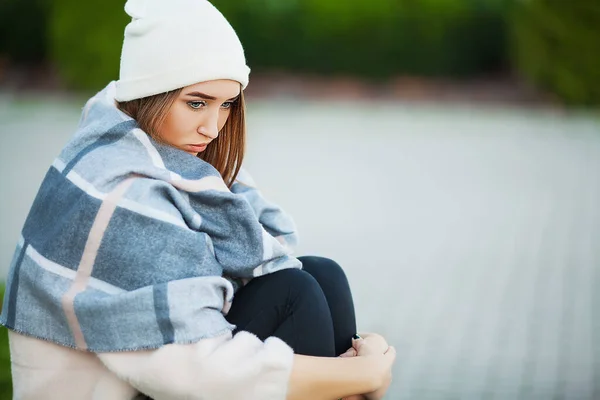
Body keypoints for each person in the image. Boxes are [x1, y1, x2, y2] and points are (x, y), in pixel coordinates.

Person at [0, 0, 396, 399]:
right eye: (196, 103)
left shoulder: (167, 164)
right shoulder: (123, 192)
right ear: (150, 92)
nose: (211, 127)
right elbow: (189, 374)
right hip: (144, 382)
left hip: (153, 378)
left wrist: (360, 367)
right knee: (295, 294)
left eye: (226, 105)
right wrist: (365, 373)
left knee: (321, 274)